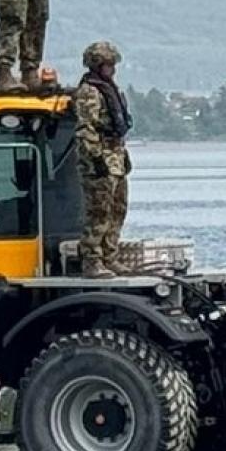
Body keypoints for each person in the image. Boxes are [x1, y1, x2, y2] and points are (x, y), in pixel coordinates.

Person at [68, 41, 134, 277]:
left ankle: (109, 256)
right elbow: (85, 129)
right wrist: (96, 159)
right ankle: (92, 260)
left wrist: (123, 156)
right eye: (108, 64)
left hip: (115, 158)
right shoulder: (89, 92)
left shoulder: (110, 89)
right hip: (99, 162)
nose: (112, 69)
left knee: (118, 209)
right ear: (97, 65)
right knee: (98, 212)